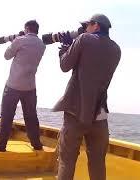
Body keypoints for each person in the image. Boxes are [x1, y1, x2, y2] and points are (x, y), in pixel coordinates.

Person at [53, 14, 121, 180]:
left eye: (87, 26)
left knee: (66, 161)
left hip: (75, 112)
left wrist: (65, 46)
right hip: (99, 115)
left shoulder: (84, 40)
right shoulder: (116, 50)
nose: (85, 29)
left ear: (96, 25)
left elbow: (64, 65)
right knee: (97, 163)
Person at [0, 20, 46, 152]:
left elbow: (6, 56)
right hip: (30, 87)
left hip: (13, 85)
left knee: (7, 115)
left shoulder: (19, 41)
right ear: (37, 30)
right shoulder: (42, 45)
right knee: (31, 117)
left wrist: (15, 41)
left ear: (26, 28)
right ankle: (37, 144)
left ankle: (1, 145)